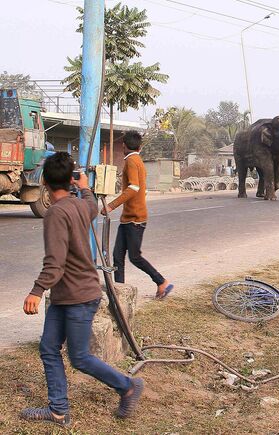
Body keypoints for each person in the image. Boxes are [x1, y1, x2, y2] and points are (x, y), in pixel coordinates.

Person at [21, 152, 144, 427]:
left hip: (78, 297)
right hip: (68, 295)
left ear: (44, 181)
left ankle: (128, 386)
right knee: (48, 348)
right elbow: (91, 202)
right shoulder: (80, 205)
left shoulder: (56, 213)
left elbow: (54, 263)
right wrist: (86, 186)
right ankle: (58, 411)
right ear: (70, 180)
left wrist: (36, 291)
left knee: (80, 357)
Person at [103, 131, 173, 299]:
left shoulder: (132, 161)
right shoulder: (137, 160)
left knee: (134, 257)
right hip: (128, 218)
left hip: (135, 219)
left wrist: (111, 205)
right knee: (117, 257)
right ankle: (119, 292)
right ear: (140, 147)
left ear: (123, 146)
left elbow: (133, 188)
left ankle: (161, 281)